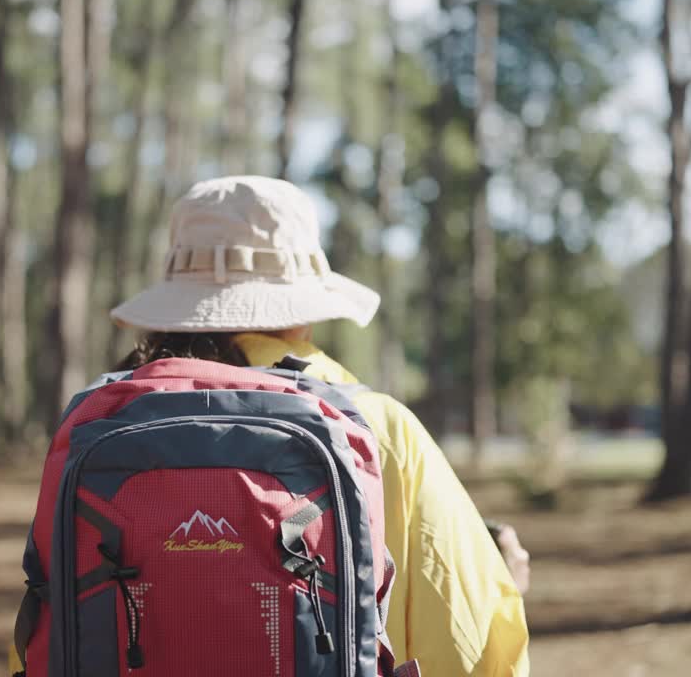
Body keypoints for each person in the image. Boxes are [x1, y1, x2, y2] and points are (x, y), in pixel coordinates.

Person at [109, 175, 530, 676]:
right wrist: (504, 584)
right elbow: (470, 650)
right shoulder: (380, 430)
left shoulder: (104, 424)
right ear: (302, 311)